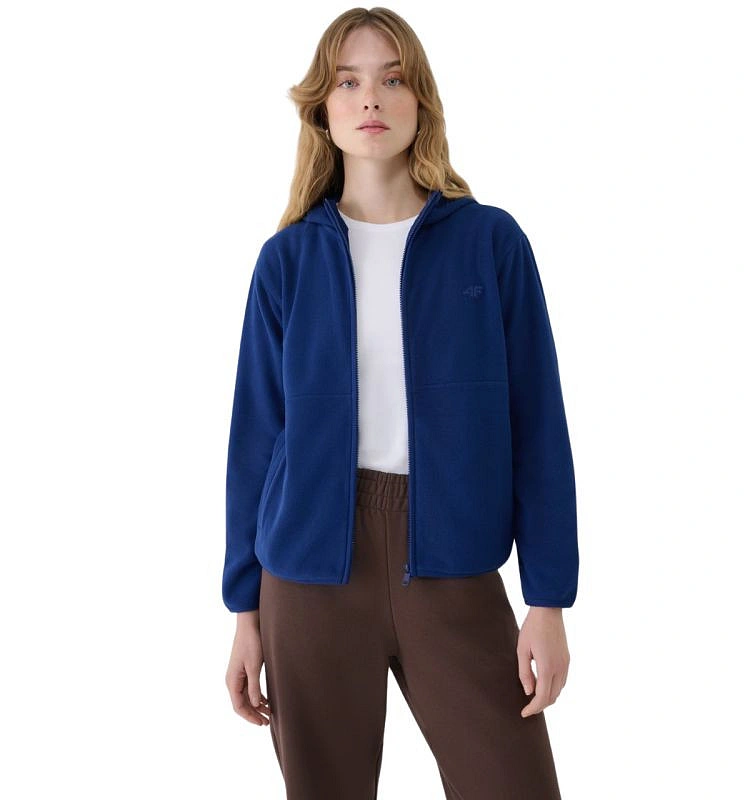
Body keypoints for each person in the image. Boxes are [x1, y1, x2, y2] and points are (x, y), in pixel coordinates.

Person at [223, 7, 579, 799]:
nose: (370, 98)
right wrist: (244, 612)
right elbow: (255, 440)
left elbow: (538, 428)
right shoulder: (286, 262)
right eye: (348, 82)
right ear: (323, 108)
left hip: (452, 565)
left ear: (421, 100)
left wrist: (549, 599)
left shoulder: (490, 244)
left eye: (392, 79)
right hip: (309, 575)